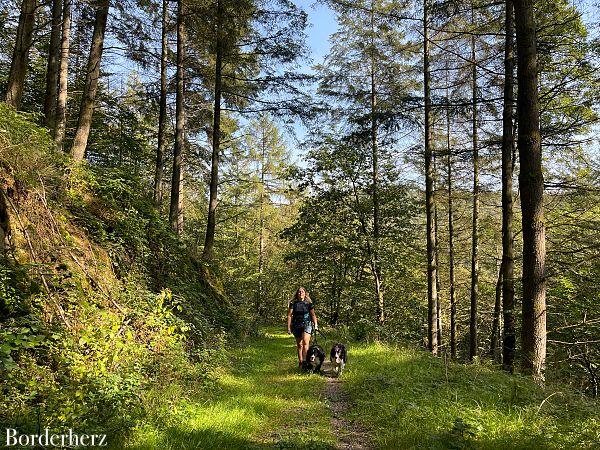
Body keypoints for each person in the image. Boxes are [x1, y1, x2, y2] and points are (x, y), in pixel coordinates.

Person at [287, 287, 319, 369]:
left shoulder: (308, 303)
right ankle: (301, 362)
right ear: (297, 294)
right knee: (299, 345)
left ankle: (306, 362)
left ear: (305, 293)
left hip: (307, 324)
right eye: (299, 292)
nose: (301, 293)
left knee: (305, 343)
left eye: (302, 292)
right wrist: (289, 327)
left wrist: (315, 324)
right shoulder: (293, 303)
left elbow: (313, 315)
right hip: (296, 325)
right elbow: (289, 315)